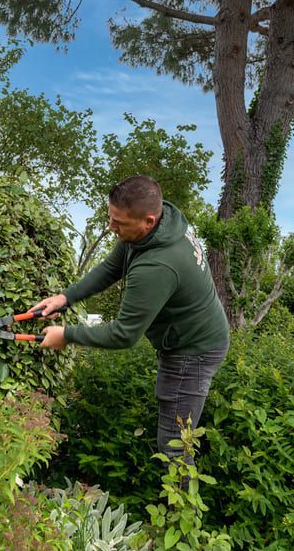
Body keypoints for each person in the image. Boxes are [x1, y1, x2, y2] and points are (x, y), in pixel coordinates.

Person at [32, 175, 230, 465]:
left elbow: (124, 334)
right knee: (175, 435)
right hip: (192, 334)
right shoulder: (156, 228)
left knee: (175, 447)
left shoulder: (157, 265)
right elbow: (112, 267)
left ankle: (182, 510)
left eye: (119, 223)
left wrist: (67, 335)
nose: (112, 227)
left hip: (193, 351)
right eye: (110, 217)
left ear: (148, 221)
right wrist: (66, 297)